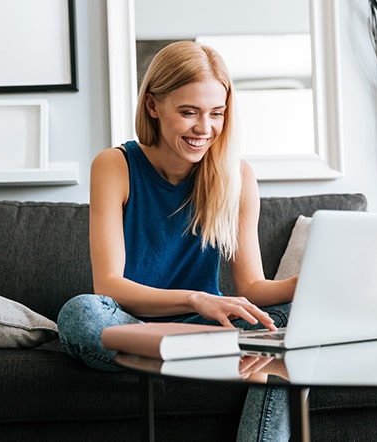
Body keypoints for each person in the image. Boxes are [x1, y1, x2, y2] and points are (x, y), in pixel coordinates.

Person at [57, 40, 297, 441]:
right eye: (189, 112)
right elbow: (109, 287)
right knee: (80, 314)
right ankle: (216, 352)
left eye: (216, 114)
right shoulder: (115, 165)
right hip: (134, 326)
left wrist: (309, 285)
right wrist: (194, 298)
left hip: (205, 327)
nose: (205, 129)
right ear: (153, 105)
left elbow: (252, 288)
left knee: (293, 319)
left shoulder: (237, 176)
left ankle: (211, 353)